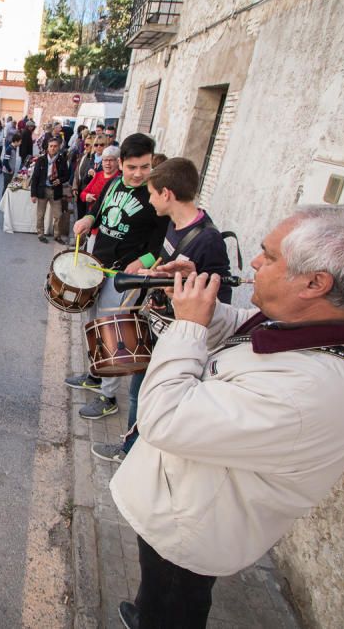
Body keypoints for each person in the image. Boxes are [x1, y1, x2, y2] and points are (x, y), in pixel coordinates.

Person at [109, 203, 344, 629]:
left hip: (190, 526)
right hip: (185, 500)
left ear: (315, 284)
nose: (256, 263)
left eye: (270, 255)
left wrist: (188, 328)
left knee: (174, 604)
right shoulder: (315, 326)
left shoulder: (312, 391)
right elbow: (247, 333)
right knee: (159, 593)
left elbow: (164, 418)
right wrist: (189, 299)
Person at [90, 157, 233, 464]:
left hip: (176, 337)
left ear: (166, 194)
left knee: (147, 397)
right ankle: (132, 448)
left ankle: (132, 454)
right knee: (138, 393)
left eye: (153, 193)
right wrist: (150, 273)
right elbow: (164, 261)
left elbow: (221, 296)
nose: (149, 199)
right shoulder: (175, 225)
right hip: (157, 324)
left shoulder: (208, 240)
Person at [64, 134, 168, 417]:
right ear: (121, 163)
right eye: (132, 167)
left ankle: (108, 397)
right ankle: (95, 375)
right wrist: (87, 220)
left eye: (144, 167)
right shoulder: (112, 183)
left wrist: (141, 262)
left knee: (112, 333)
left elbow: (161, 243)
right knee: (93, 323)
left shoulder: (156, 194)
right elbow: (97, 213)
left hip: (125, 277)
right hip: (99, 267)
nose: (138, 174)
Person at [29, 136, 70, 244]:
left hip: (55, 191)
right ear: (47, 147)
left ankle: (57, 236)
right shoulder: (41, 160)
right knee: (40, 214)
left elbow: (67, 175)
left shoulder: (62, 160)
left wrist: (60, 180)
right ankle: (40, 234)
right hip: (43, 190)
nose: (53, 148)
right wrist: (33, 194)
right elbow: (35, 177)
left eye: (55, 146)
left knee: (58, 215)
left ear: (59, 147)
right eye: (51, 146)